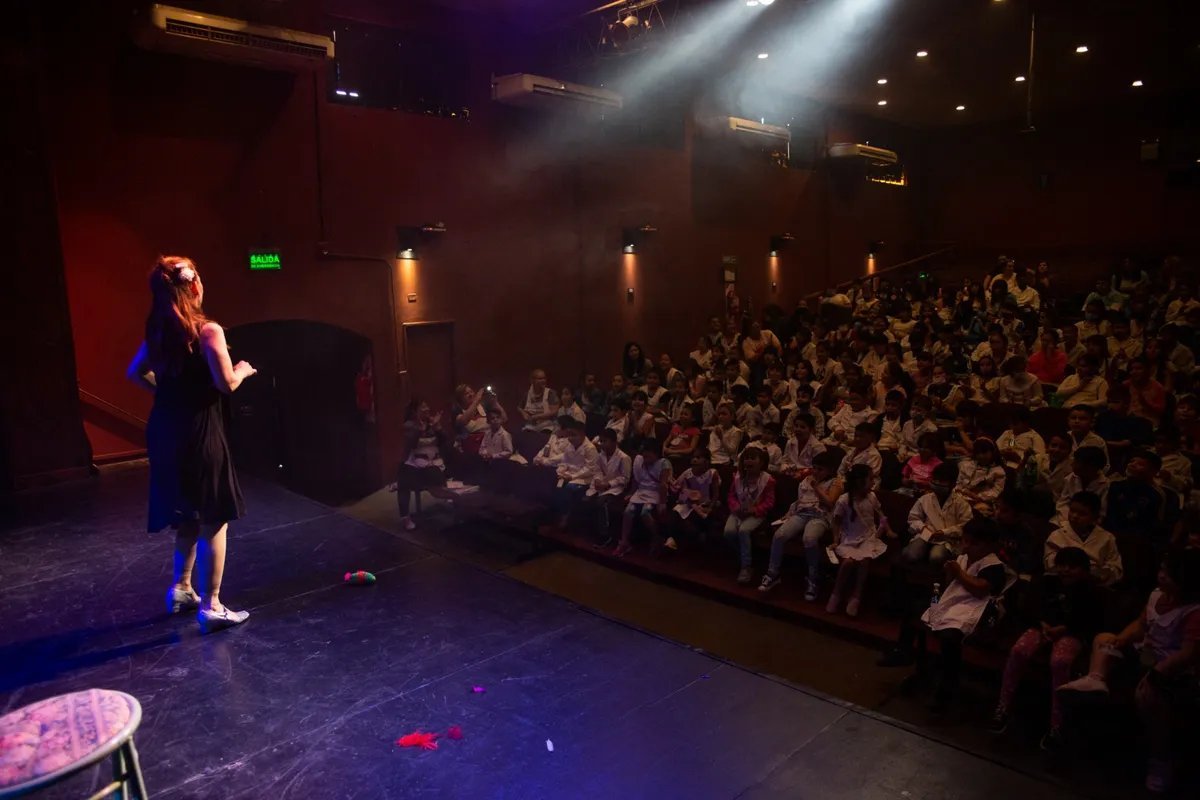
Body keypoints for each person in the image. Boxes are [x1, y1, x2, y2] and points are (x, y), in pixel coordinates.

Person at [127, 255, 254, 632]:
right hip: (199, 434)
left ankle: (181, 589)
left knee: (187, 515)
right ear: (194, 285)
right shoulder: (208, 331)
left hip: (165, 431)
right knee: (214, 519)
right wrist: (244, 369)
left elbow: (134, 373)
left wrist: (171, 395)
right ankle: (212, 606)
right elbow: (226, 383)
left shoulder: (159, 331)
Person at [1057, 549, 1200, 793]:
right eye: (1162, 570)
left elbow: (1189, 653)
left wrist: (1158, 672)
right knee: (1104, 638)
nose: (1162, 576)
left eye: (1169, 573)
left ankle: (1160, 760)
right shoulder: (1156, 596)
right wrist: (1122, 639)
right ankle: (1095, 678)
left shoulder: (1193, 611)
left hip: (1173, 668)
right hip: (1145, 653)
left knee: (1148, 697)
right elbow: (1140, 625)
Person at [878, 518, 1008, 712]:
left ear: (989, 545)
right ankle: (904, 652)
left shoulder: (993, 565)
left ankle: (947, 685)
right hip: (951, 601)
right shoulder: (962, 558)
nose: (968, 546)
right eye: (966, 541)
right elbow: (950, 585)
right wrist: (949, 576)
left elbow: (980, 589)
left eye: (975, 543)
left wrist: (958, 573)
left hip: (974, 609)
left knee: (950, 635)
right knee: (915, 608)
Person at [990, 546, 1104, 749]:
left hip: (1072, 633)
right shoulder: (1046, 582)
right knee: (1019, 651)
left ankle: (1057, 724)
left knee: (1060, 662)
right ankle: (1003, 707)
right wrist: (1042, 623)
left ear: (1084, 570)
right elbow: (1032, 608)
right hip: (1041, 627)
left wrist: (1064, 628)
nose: (1065, 570)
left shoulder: (1090, 590)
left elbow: (1089, 621)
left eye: (1072, 567)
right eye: (1061, 565)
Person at [762, 451, 841, 598]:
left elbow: (830, 503)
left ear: (830, 470)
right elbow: (800, 500)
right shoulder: (806, 480)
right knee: (779, 535)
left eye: (820, 469)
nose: (816, 472)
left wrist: (816, 487)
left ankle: (813, 579)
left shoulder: (835, 482)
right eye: (814, 468)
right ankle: (772, 574)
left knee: (809, 539)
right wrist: (789, 513)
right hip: (802, 513)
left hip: (820, 516)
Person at [826, 464, 891, 617]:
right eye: (870, 479)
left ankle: (856, 596)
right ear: (860, 481)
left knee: (864, 561)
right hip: (850, 537)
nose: (873, 482)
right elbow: (836, 522)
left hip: (868, 536)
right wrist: (836, 539)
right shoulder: (844, 500)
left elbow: (881, 515)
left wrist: (888, 530)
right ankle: (836, 593)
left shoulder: (872, 497)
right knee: (847, 563)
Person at [1044, 491, 1123, 586]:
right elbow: (1049, 562)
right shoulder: (1057, 535)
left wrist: (1100, 574)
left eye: (1082, 514)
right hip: (1061, 581)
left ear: (1094, 517)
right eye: (1072, 511)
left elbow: (1115, 566)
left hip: (1093, 584)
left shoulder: (1107, 538)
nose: (1075, 516)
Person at [903, 462, 973, 567]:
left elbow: (966, 526)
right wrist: (923, 527)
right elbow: (913, 518)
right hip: (926, 535)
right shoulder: (925, 499)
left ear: (952, 484)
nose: (937, 483)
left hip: (947, 540)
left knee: (936, 557)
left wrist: (944, 532)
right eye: (935, 480)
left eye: (941, 481)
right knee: (909, 554)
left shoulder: (961, 503)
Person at [724, 446, 777, 585]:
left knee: (743, 530)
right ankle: (743, 556)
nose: (748, 461)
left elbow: (769, 502)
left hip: (756, 514)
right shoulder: (738, 477)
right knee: (728, 532)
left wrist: (755, 509)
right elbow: (731, 496)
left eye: (752, 458)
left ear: (761, 462)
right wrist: (736, 507)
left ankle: (746, 566)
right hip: (738, 512)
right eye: (746, 458)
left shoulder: (767, 480)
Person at [614, 438, 672, 557]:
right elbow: (636, 479)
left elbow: (663, 484)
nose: (645, 455)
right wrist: (631, 492)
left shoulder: (663, 463)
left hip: (655, 492)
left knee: (645, 512)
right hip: (641, 491)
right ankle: (624, 541)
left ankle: (656, 537)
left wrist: (662, 502)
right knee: (628, 512)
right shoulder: (639, 460)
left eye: (648, 452)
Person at [666, 448, 721, 550]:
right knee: (674, 514)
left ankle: (696, 537)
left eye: (698, 458)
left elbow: (715, 494)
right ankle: (671, 539)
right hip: (689, 503)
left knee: (692, 520)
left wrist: (711, 507)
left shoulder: (712, 474)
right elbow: (676, 485)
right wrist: (672, 483)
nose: (694, 460)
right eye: (693, 457)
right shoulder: (688, 473)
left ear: (706, 462)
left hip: (704, 504)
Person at [585, 428, 631, 547]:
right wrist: (599, 480)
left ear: (614, 442)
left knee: (601, 503)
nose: (602, 444)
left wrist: (609, 484)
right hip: (603, 485)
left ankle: (606, 535)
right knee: (587, 499)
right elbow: (597, 470)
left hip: (617, 489)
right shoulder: (601, 455)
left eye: (605, 441)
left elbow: (625, 478)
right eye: (601, 441)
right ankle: (594, 531)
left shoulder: (624, 458)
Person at [553, 419, 598, 529]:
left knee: (569, 488)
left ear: (582, 434)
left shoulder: (590, 448)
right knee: (554, 483)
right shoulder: (570, 445)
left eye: (574, 435)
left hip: (583, 479)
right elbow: (564, 462)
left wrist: (572, 476)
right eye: (569, 435)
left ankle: (566, 517)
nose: (570, 438)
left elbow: (590, 469)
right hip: (568, 475)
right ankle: (557, 514)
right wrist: (561, 471)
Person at [1053, 445, 1110, 525]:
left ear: (1090, 466)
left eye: (1076, 462)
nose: (1072, 464)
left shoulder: (1106, 486)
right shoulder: (1071, 478)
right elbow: (1063, 503)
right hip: (1065, 520)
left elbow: (1101, 513)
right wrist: (1066, 522)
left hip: (1089, 525)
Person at [955, 437, 1006, 515]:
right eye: (978, 453)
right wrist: (963, 492)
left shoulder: (998, 472)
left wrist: (977, 497)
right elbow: (959, 484)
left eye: (984, 452)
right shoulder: (966, 465)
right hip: (962, 497)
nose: (981, 456)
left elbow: (996, 491)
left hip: (983, 501)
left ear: (993, 452)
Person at [996, 406, 1046, 472]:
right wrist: (1003, 453)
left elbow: (1040, 458)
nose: (1012, 426)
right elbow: (995, 448)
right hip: (1000, 465)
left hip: (1021, 468)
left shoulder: (1034, 437)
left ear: (1026, 423)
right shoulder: (1008, 433)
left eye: (1015, 424)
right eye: (1010, 424)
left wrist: (1019, 459)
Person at [781, 412, 826, 477]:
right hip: (789, 474)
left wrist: (802, 473)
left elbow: (819, 469)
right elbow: (784, 461)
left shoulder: (818, 447)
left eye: (802, 427)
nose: (798, 429)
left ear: (811, 430)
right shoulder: (790, 442)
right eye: (796, 426)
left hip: (808, 478)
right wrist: (785, 468)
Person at [1126, 356, 1167, 425]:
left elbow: (1160, 411)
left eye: (1139, 368)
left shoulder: (1157, 387)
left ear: (1148, 370)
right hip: (1128, 422)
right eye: (1132, 369)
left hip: (1149, 423)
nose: (1134, 372)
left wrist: (1145, 404)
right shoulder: (1126, 385)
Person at [519, 369, 560, 433]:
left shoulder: (550, 393)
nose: (543, 381)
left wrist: (537, 416)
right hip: (531, 425)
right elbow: (519, 407)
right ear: (532, 380)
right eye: (540, 379)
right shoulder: (527, 394)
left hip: (547, 425)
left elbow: (554, 411)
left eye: (544, 378)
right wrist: (524, 414)